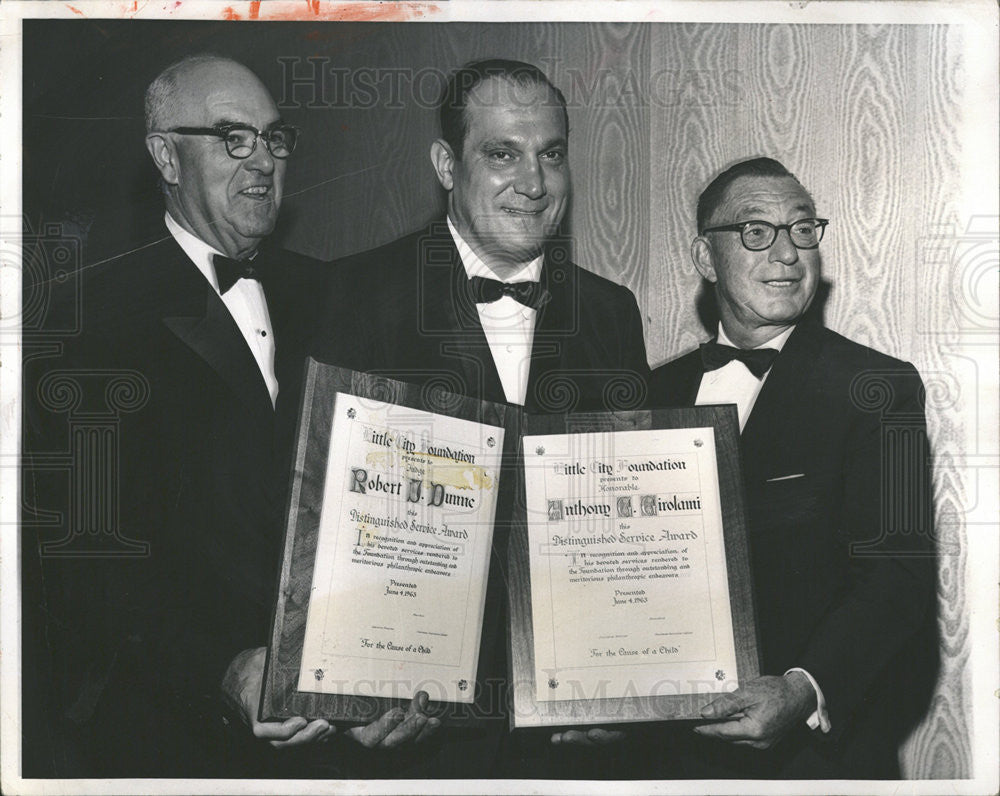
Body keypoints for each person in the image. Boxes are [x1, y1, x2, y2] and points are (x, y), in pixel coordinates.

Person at [21, 54, 433, 778]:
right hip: (173, 738)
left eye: (274, 139)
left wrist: (401, 674)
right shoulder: (90, 319)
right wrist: (222, 668)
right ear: (164, 157)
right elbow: (86, 560)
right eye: (231, 138)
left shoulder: (334, 294)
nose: (263, 161)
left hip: (339, 748)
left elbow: (387, 505)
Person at [312, 59, 650, 777]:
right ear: (445, 163)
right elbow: (310, 510)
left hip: (569, 741)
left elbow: (627, 519)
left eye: (551, 154)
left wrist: (631, 684)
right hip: (410, 732)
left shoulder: (611, 313)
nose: (534, 182)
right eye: (502, 153)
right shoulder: (351, 292)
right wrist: (342, 692)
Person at [646, 157, 937, 778]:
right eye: (756, 231)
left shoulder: (879, 386)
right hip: (664, 758)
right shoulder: (648, 392)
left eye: (802, 230)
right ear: (705, 257)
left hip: (813, 764)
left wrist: (804, 689)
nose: (786, 253)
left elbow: (900, 579)